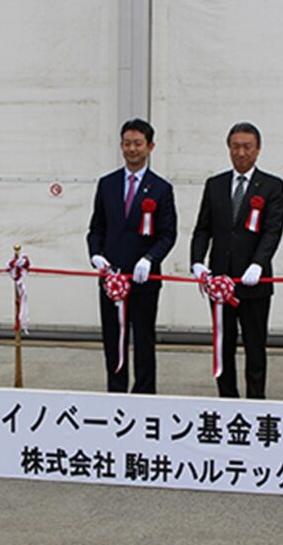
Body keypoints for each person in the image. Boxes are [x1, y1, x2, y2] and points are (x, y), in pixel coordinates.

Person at [190, 122, 283, 399]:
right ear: (228, 148)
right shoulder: (215, 184)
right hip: (221, 281)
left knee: (255, 346)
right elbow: (203, 228)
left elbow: (272, 231)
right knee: (223, 345)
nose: (241, 153)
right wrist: (197, 261)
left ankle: (255, 402)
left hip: (254, 282)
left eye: (247, 147)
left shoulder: (271, 186)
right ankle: (227, 400)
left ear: (258, 149)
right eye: (235, 147)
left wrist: (258, 264)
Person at [87, 119, 177, 394]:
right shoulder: (107, 184)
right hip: (112, 279)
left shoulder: (161, 188)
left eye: (138, 143)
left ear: (150, 146)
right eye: (127, 143)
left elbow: (167, 234)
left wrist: (150, 259)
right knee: (113, 339)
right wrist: (96, 255)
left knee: (144, 340)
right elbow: (96, 229)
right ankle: (116, 393)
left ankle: (144, 395)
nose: (132, 149)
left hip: (144, 280)